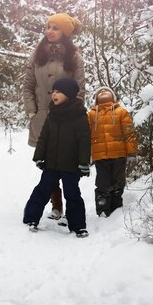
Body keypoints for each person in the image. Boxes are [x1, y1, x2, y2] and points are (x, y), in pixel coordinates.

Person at [22, 13, 85, 220]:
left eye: (55, 27)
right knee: (48, 163)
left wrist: (73, 115)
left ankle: (71, 207)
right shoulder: (37, 55)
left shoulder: (74, 57)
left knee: (65, 161)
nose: (49, 31)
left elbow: (79, 89)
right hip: (42, 118)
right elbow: (28, 86)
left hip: (67, 120)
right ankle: (56, 204)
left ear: (65, 32)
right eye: (48, 26)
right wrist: (32, 112)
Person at [23, 78, 91, 238]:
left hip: (71, 165)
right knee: (42, 190)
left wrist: (83, 163)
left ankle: (78, 226)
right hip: (51, 164)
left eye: (58, 92)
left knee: (72, 195)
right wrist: (39, 157)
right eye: (53, 91)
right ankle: (31, 218)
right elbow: (44, 137)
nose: (54, 94)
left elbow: (84, 141)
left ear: (68, 94)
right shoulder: (52, 114)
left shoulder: (79, 116)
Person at [87, 86, 138, 217]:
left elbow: (129, 133)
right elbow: (85, 135)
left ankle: (116, 211)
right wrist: (85, 156)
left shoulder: (121, 112)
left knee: (118, 183)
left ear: (113, 96)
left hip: (119, 155)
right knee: (102, 184)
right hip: (100, 156)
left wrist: (131, 152)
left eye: (106, 91)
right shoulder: (91, 114)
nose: (103, 91)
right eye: (100, 92)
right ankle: (103, 211)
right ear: (96, 99)